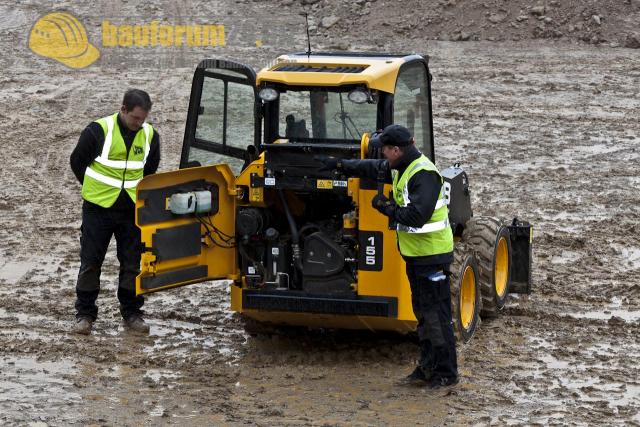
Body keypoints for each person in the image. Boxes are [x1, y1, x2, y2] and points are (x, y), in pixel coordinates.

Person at [318, 124, 458, 389]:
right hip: (416, 256)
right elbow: (370, 168)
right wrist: (339, 165)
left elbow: (417, 216)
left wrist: (385, 207)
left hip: (432, 257)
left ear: (396, 150)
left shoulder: (424, 174)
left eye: (384, 148)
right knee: (423, 315)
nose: (381, 153)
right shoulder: (400, 166)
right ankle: (427, 367)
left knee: (436, 317)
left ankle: (446, 374)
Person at [69, 89, 160, 335]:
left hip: (131, 211)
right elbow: (77, 161)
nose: (138, 123)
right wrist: (93, 189)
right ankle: (85, 315)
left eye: (142, 119)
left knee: (132, 264)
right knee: (91, 263)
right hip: (97, 209)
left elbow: (149, 171)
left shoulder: (150, 135)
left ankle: (132, 313)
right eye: (135, 118)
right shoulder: (97, 131)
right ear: (123, 110)